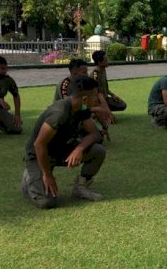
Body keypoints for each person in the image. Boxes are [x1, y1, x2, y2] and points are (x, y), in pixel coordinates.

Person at [21, 76, 106, 209]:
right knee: (47, 202)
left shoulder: (82, 109)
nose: (96, 100)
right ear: (84, 99)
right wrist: (47, 175)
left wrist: (79, 149)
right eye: (95, 96)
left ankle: (80, 188)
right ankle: (29, 181)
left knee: (98, 151)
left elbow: (94, 134)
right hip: (39, 155)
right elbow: (39, 144)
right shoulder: (59, 113)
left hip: (61, 150)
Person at [56, 58, 113, 138]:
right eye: (84, 72)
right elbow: (69, 108)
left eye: (87, 71)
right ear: (74, 73)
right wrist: (95, 109)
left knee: (97, 137)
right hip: (65, 117)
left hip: (81, 113)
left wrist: (104, 125)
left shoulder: (85, 84)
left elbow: (92, 103)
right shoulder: (64, 85)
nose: (87, 75)